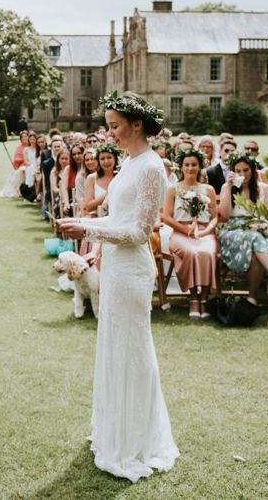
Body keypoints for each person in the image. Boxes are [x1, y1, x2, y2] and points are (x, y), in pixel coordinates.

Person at [58, 91, 179, 483]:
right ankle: (113, 431)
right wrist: (85, 222)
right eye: (108, 126)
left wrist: (88, 228)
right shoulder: (128, 163)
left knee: (133, 350)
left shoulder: (151, 168)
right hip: (113, 268)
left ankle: (135, 442)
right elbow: (117, 217)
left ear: (137, 124)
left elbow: (141, 230)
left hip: (132, 272)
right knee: (113, 347)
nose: (110, 134)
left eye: (115, 126)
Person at [217, 151, 268, 304]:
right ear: (233, 172)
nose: (242, 174)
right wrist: (229, 188)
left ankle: (251, 297)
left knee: (257, 252)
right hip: (233, 231)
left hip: (258, 230)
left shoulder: (263, 188)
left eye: (246, 170)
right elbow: (225, 214)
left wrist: (261, 224)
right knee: (257, 238)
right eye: (238, 171)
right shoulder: (226, 187)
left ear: (253, 170)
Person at [162, 148, 219, 319]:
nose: (190, 168)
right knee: (191, 252)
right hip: (181, 232)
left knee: (208, 252)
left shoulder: (208, 189)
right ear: (181, 167)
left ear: (200, 166)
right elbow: (166, 217)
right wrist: (185, 229)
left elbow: (215, 217)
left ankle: (204, 297)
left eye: (194, 164)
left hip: (204, 232)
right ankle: (193, 297)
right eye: (186, 164)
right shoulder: (173, 189)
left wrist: (205, 232)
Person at [83, 144, 119, 216]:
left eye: (109, 157)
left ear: (115, 159)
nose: (106, 161)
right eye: (102, 159)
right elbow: (88, 207)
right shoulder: (92, 178)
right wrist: (108, 193)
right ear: (98, 161)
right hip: (98, 218)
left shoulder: (121, 176)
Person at [0, 131, 29, 198]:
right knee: (20, 171)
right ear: (21, 139)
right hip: (22, 165)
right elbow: (17, 159)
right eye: (23, 137)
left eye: (26, 136)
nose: (25, 138)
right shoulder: (19, 148)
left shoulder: (31, 146)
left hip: (30, 165)